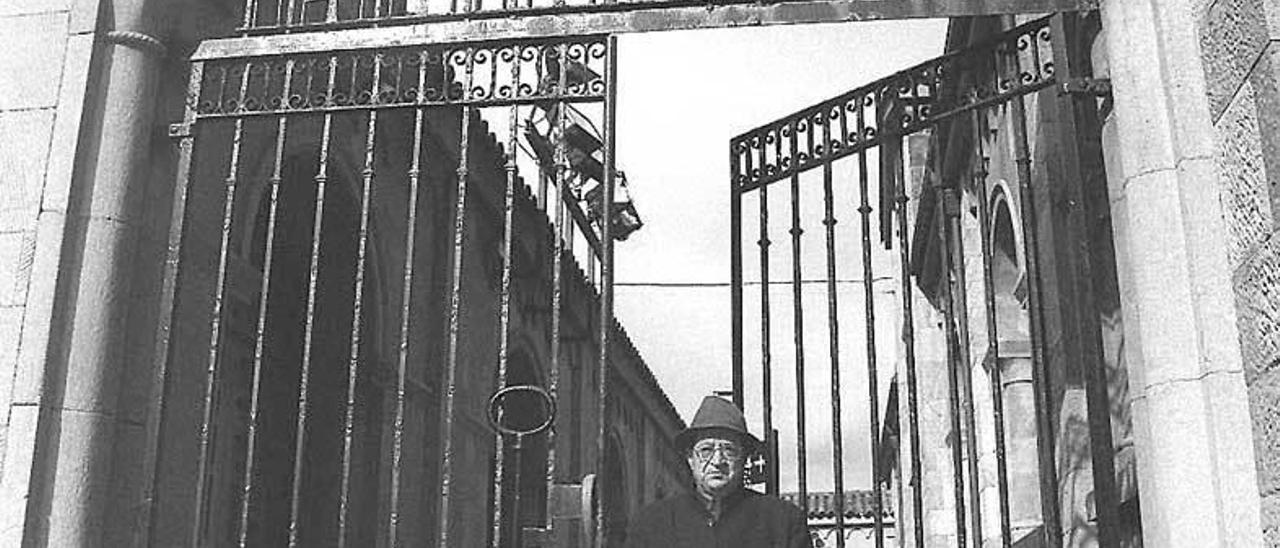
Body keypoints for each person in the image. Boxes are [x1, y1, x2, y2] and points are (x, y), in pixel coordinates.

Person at [623, 396, 811, 548]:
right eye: (706, 450)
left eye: (729, 450)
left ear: (744, 458)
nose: (717, 461)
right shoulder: (651, 524)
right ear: (690, 459)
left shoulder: (782, 522)